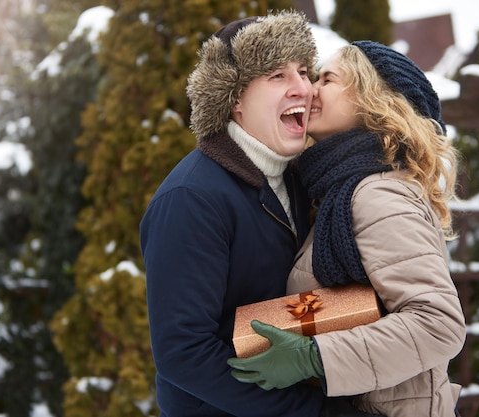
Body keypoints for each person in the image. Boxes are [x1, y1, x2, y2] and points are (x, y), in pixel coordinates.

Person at [227, 41, 467, 417]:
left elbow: (438, 324)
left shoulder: (379, 194)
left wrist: (314, 358)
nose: (310, 89)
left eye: (328, 79)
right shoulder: (336, 191)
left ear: (373, 99)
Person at [140, 11, 331, 417]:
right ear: (235, 98)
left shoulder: (296, 181)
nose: (304, 87)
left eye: (303, 70)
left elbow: (282, 310)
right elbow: (183, 352)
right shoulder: (192, 198)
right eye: (277, 75)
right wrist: (310, 411)